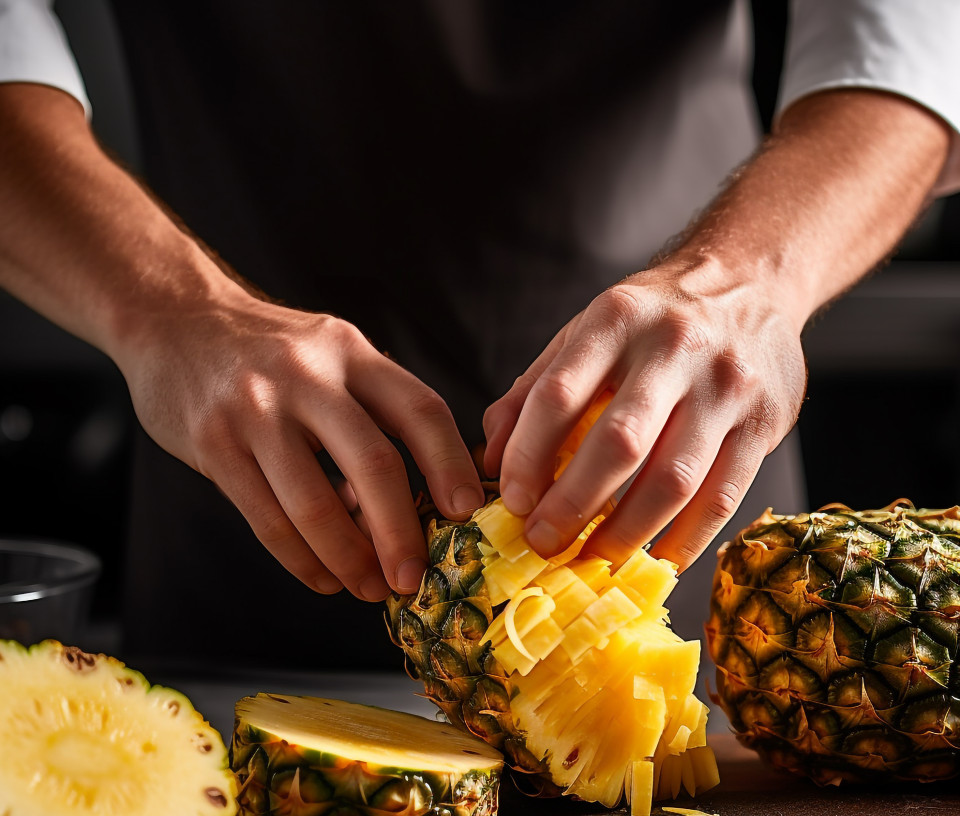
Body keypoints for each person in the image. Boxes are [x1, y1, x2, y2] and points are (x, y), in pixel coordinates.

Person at [0, 0, 958, 668]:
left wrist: (751, 282)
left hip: (681, 452)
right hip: (245, 482)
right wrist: (168, 308)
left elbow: (908, 37)